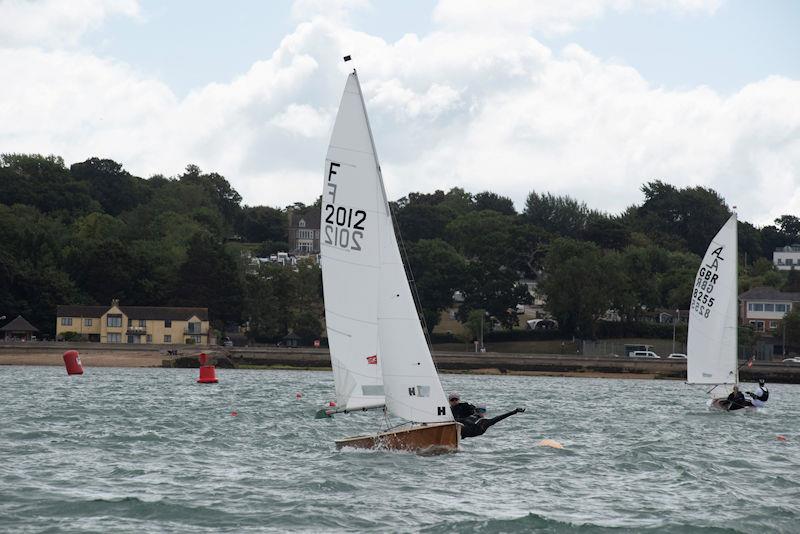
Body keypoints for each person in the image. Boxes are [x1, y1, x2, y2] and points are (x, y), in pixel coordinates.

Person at [447, 392, 525, 439]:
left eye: (482, 410)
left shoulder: (486, 422)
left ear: (484, 412)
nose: (480, 412)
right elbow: (460, 420)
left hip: (473, 431)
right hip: (461, 432)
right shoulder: (470, 416)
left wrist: (514, 412)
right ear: (475, 411)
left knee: (463, 422)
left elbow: (499, 418)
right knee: (459, 421)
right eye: (478, 410)